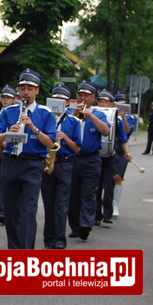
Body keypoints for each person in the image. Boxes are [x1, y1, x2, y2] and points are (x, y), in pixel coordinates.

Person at [0, 69, 56, 249]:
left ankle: (27, 252)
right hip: (11, 162)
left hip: (32, 164)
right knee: (11, 212)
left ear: (37, 91)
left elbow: (51, 143)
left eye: (30, 89)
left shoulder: (45, 113)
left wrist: (33, 128)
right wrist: (7, 133)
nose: (25, 92)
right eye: (22, 88)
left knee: (28, 211)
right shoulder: (8, 111)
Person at [67, 81, 110, 241]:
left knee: (88, 193)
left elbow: (105, 131)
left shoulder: (99, 114)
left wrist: (89, 115)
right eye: (80, 95)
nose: (83, 98)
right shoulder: (70, 112)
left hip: (91, 159)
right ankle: (75, 226)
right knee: (73, 194)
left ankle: (85, 224)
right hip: (72, 158)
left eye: (86, 95)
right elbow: (62, 129)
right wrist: (74, 114)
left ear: (93, 97)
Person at [40, 83, 81, 249]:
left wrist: (65, 137)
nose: (57, 102)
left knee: (61, 205)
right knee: (48, 204)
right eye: (55, 99)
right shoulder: (44, 119)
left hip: (65, 163)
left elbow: (77, 148)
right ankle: (48, 240)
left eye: (61, 100)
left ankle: (59, 241)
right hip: (48, 164)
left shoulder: (73, 121)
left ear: (67, 103)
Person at [94, 90, 133, 225]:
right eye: (100, 101)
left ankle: (108, 213)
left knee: (109, 184)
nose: (102, 104)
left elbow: (123, 138)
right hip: (97, 155)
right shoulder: (93, 116)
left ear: (111, 104)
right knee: (97, 185)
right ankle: (96, 215)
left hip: (111, 155)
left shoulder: (117, 120)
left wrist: (127, 152)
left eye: (105, 102)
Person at [0, 84, 16, 224]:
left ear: (13, 100)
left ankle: (6, 210)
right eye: (4, 97)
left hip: (11, 151)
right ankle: (1, 209)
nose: (5, 100)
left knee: (10, 182)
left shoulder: (16, 113)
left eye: (8, 98)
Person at [113, 91, 135, 217]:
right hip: (110, 150)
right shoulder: (110, 115)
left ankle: (115, 205)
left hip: (122, 151)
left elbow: (127, 132)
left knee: (118, 177)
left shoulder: (130, 118)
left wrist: (123, 117)